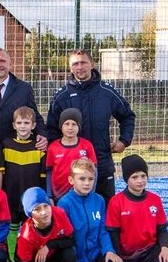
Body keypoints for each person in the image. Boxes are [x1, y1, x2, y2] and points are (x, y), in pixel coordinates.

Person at [46, 50, 136, 203]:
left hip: (101, 162)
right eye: (75, 64)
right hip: (72, 168)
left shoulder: (107, 92)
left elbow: (127, 116)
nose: (80, 67)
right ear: (70, 68)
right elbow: (51, 129)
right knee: (71, 210)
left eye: (83, 62)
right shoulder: (61, 96)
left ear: (92, 64)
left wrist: (124, 140)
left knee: (105, 207)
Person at [56, 158, 121, 262]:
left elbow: (103, 230)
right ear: (71, 180)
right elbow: (66, 239)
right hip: (79, 259)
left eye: (91, 179)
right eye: (82, 179)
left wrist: (109, 251)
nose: (87, 183)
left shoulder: (99, 200)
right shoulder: (64, 203)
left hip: (95, 253)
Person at [0, 106, 46, 248]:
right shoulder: (6, 145)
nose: (23, 126)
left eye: (26, 123)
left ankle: (27, 257)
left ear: (33, 125)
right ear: (13, 125)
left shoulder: (39, 148)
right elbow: (1, 173)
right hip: (11, 197)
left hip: (31, 200)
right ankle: (12, 258)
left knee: (29, 230)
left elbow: (42, 177)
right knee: (11, 230)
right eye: (19, 123)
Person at [15, 187, 77, 262]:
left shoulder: (59, 213)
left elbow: (71, 240)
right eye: (37, 209)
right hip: (34, 260)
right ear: (30, 214)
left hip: (53, 251)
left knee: (70, 254)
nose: (44, 212)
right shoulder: (26, 236)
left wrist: (49, 245)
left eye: (46, 206)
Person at [44, 107, 96, 203]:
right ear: (61, 126)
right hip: (58, 195)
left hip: (81, 195)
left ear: (79, 126)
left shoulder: (87, 145)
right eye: (67, 124)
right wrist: (49, 195)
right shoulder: (53, 147)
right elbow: (49, 172)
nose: (70, 127)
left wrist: (91, 193)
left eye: (74, 124)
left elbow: (94, 171)